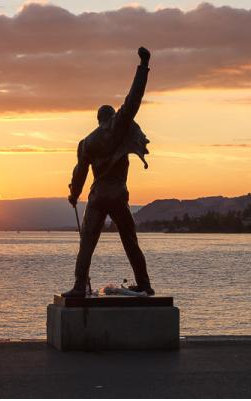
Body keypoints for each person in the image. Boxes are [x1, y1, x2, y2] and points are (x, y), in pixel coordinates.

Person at [62, 46, 154, 298]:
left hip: (99, 194)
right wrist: (143, 66)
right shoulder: (119, 127)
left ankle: (80, 285)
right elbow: (133, 99)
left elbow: (80, 173)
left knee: (87, 243)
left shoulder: (86, 143)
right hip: (119, 194)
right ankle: (144, 284)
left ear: (97, 120)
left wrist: (74, 194)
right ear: (112, 117)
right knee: (130, 242)